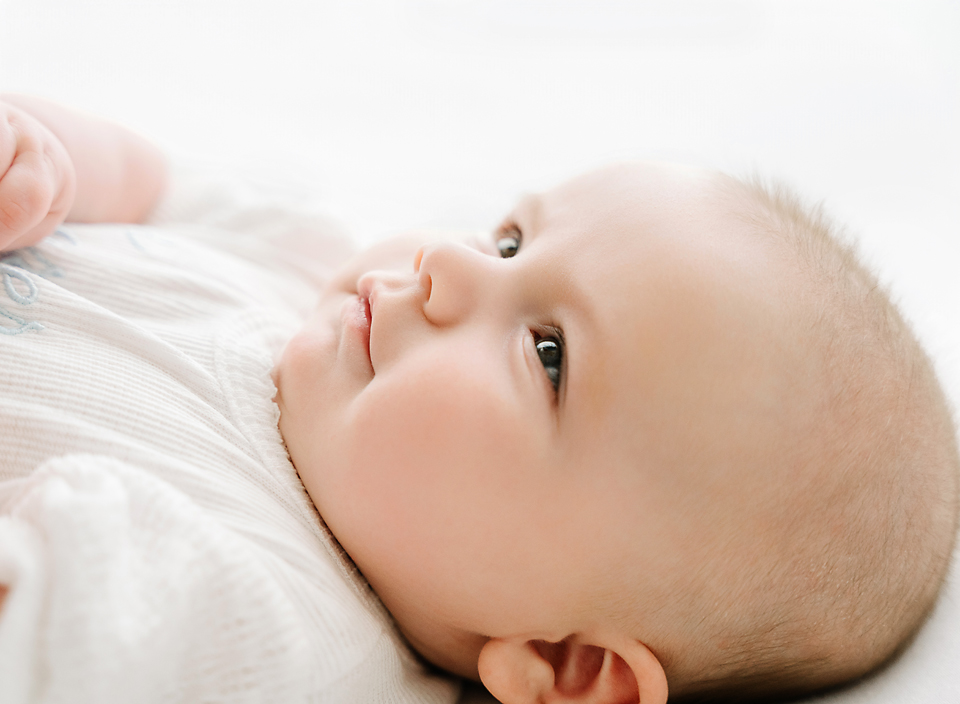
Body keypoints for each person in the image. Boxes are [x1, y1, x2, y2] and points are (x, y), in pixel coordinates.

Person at [0, 95, 957, 704]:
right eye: (508, 239)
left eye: (547, 355)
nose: (446, 265)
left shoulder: (263, 622)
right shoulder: (304, 260)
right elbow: (150, 179)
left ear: (568, 667)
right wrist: (46, 159)